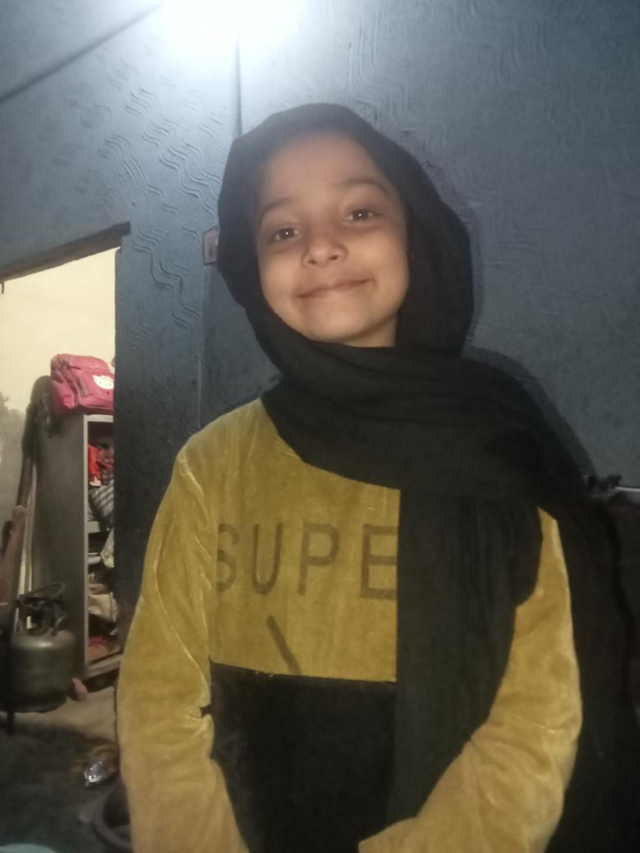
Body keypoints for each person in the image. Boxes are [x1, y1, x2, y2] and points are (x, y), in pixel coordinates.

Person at [117, 104, 638, 852]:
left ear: (415, 232)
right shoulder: (213, 466)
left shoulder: (500, 447)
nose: (321, 246)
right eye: (282, 230)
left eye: (359, 212)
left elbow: (539, 715)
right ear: (251, 268)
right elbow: (159, 702)